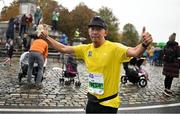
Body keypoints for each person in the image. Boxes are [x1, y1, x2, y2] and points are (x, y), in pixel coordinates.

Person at [40, 16, 152, 113]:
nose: (94, 32)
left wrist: (145, 44)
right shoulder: (85, 49)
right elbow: (63, 48)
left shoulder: (115, 48)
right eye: (92, 29)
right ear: (89, 31)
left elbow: (135, 52)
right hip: (91, 102)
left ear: (105, 32)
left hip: (108, 104)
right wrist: (46, 38)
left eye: (98, 29)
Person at [27, 22, 48, 89]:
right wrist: (43, 61)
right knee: (40, 68)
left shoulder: (35, 41)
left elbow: (31, 48)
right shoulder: (45, 43)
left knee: (30, 67)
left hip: (31, 52)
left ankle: (29, 82)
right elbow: (45, 54)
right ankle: (37, 83)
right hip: (39, 53)